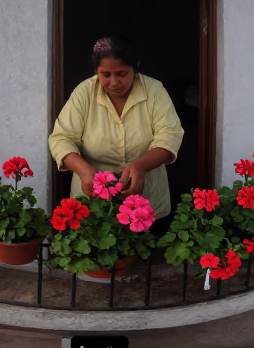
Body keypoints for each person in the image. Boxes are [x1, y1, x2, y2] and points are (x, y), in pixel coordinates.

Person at [48, 36, 184, 219]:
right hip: (93, 201)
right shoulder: (84, 92)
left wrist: (141, 167)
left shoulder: (154, 90)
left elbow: (170, 135)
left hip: (145, 204)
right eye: (105, 75)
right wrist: (83, 170)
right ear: (96, 71)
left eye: (121, 74)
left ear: (134, 69)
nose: (113, 83)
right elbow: (61, 138)